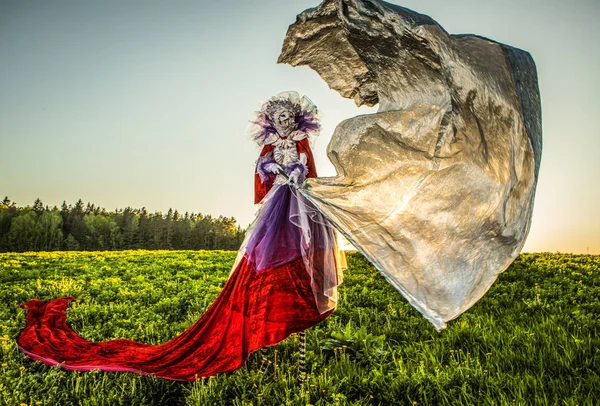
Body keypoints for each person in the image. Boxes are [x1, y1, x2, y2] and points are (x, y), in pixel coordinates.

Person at [16, 91, 345, 381]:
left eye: (287, 115)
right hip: (277, 211)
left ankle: (297, 311)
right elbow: (261, 174)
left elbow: (309, 173)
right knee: (265, 264)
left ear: (295, 117)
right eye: (278, 117)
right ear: (271, 122)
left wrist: (297, 171)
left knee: (300, 260)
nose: (283, 121)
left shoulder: (301, 141)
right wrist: (274, 169)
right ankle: (270, 318)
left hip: (301, 207)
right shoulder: (270, 147)